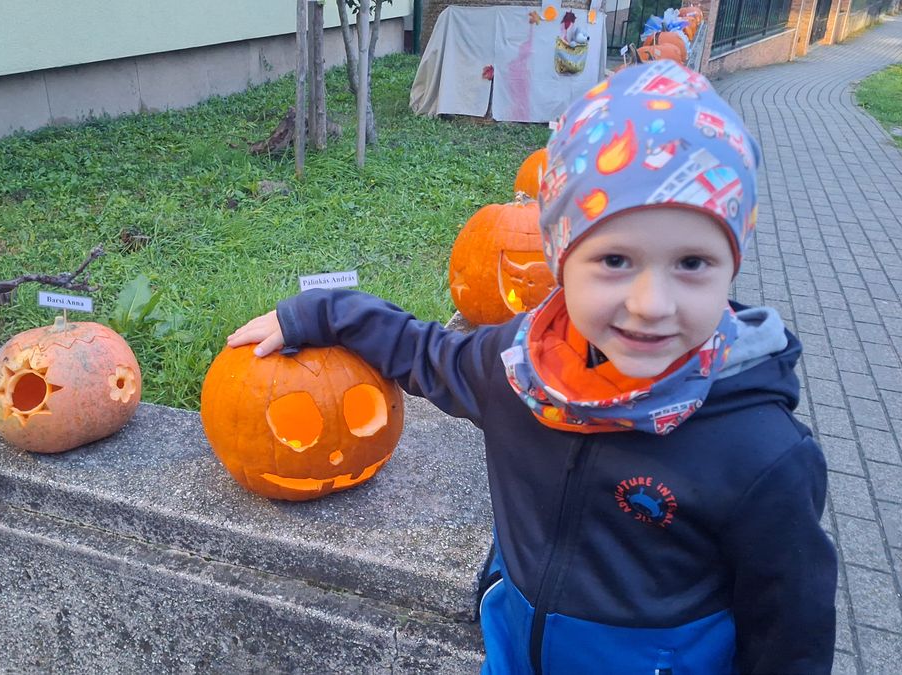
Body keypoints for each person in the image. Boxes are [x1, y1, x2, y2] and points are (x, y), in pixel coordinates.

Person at [227, 61, 836, 674]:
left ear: (732, 266)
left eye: (693, 263)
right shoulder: (517, 368)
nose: (651, 304)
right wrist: (318, 314)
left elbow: (790, 635)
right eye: (616, 259)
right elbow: (422, 352)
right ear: (560, 257)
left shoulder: (763, 456)